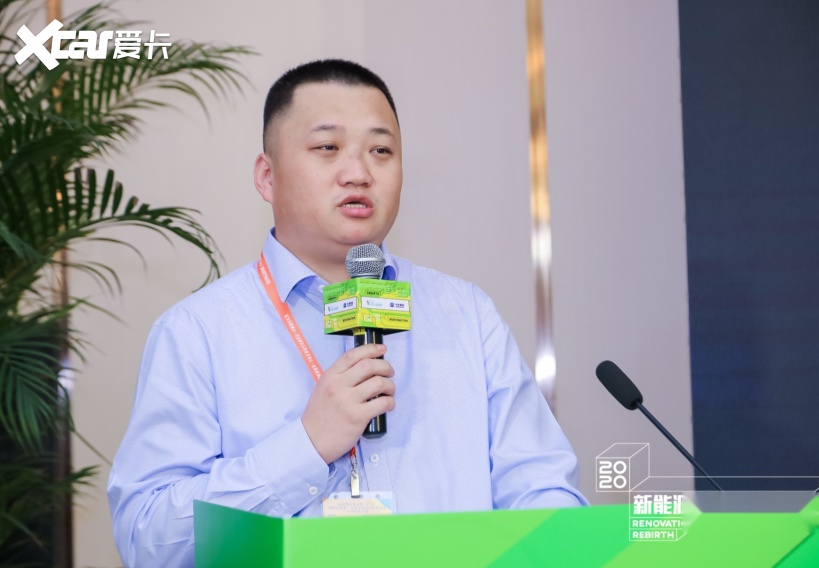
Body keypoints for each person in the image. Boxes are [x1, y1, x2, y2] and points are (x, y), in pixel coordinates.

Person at [108, 59, 587, 567]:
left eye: (381, 151)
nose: (359, 173)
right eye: (327, 148)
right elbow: (148, 538)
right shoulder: (198, 331)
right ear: (267, 177)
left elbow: (544, 492)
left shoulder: (466, 314)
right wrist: (305, 446)